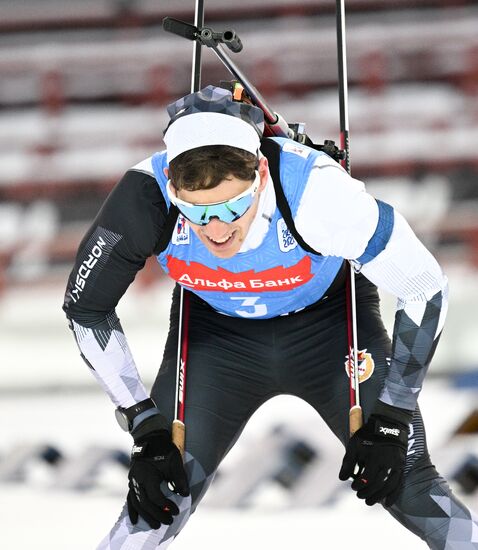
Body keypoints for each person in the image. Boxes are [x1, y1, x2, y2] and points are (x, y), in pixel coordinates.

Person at [63, 85, 478, 550]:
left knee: (407, 482)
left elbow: (424, 285)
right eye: (196, 212)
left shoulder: (316, 190)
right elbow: (86, 307)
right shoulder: (143, 197)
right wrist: (144, 424)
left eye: (232, 206)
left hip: (328, 331)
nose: (216, 230)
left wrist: (393, 415)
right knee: (157, 502)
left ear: (259, 172)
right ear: (172, 187)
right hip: (217, 342)